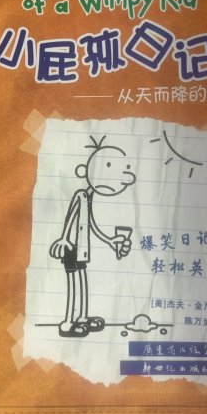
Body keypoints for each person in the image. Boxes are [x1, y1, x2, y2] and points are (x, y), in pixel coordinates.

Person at [49, 135, 136, 337]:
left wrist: (110, 240)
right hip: (71, 247)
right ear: (85, 171)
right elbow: (71, 216)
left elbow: (92, 226)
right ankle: (68, 322)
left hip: (82, 248)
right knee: (74, 283)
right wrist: (63, 238)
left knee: (82, 280)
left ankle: (81, 317)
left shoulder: (89, 197)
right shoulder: (81, 195)